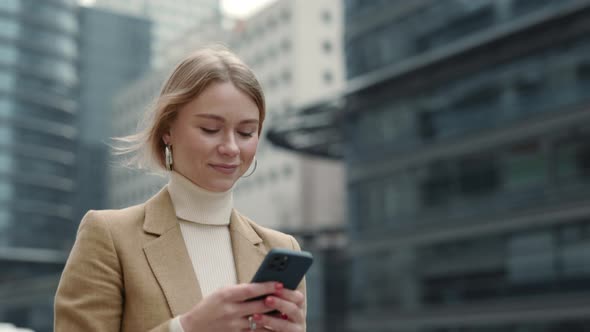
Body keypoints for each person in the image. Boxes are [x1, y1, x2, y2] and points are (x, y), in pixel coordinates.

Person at [54, 45, 307, 332]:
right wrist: (185, 328)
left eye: (246, 132)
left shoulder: (281, 249)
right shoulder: (109, 237)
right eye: (210, 129)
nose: (231, 148)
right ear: (167, 130)